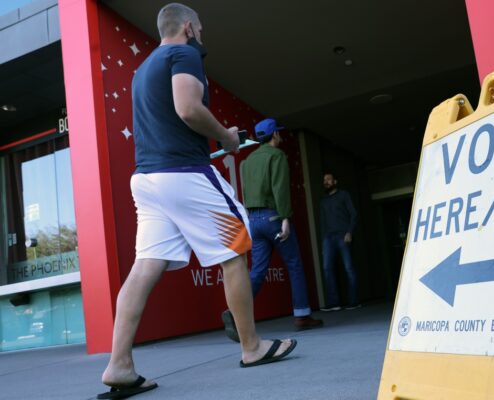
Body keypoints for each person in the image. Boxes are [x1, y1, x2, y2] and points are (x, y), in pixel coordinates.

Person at [98, 4, 296, 399]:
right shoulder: (183, 53)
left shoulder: (144, 69)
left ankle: (119, 365)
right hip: (184, 176)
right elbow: (187, 109)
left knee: (144, 267)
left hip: (148, 180)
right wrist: (226, 136)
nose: (202, 35)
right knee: (237, 248)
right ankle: (251, 348)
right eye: (200, 28)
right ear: (188, 27)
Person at [222, 118, 323, 341]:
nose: (280, 136)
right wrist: (285, 218)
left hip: (254, 221)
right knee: (295, 264)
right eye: (278, 132)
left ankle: (235, 313)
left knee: (257, 271)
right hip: (274, 217)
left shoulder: (248, 161)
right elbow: (280, 189)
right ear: (274, 135)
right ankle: (302, 315)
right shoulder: (277, 156)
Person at [319, 173, 360, 311]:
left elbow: (353, 214)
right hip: (328, 238)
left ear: (335, 181)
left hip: (343, 235)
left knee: (349, 268)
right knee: (327, 269)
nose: (326, 182)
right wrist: (323, 241)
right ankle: (334, 303)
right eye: (324, 180)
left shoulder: (344, 195)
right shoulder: (323, 201)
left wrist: (349, 232)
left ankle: (354, 301)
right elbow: (322, 222)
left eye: (329, 179)